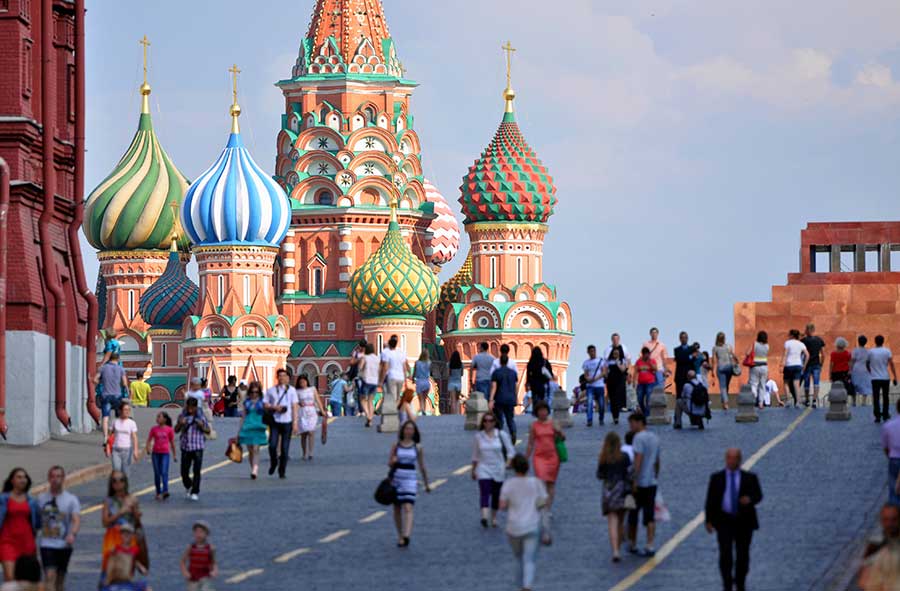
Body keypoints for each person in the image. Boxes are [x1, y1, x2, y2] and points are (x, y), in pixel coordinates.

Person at [705, 448, 763, 591]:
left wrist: (749, 499)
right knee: (725, 553)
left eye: (735, 458)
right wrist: (709, 520)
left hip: (744, 522)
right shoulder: (716, 478)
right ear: (726, 459)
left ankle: (740, 580)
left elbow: (758, 495)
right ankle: (727, 582)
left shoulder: (749, 478)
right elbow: (710, 500)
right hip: (724, 521)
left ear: (740, 459)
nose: (732, 461)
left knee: (743, 554)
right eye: (729, 458)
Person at [499, 454, 548, 591]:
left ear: (514, 468)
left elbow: (502, 506)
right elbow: (543, 507)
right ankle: (527, 585)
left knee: (518, 557)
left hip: (513, 527)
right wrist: (546, 531)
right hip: (532, 526)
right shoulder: (536, 483)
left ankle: (520, 584)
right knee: (529, 559)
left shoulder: (508, 484)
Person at [526, 401, 564, 545]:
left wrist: (559, 432)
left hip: (553, 456)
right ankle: (543, 507)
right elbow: (530, 443)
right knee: (541, 482)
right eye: (540, 410)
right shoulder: (534, 425)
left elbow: (562, 438)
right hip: (539, 457)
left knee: (550, 483)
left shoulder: (553, 423)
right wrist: (526, 457)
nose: (543, 413)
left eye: (544, 410)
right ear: (537, 412)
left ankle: (548, 508)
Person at [36, 467, 80, 591]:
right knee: (49, 577)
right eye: (53, 476)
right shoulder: (41, 499)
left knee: (60, 580)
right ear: (49, 479)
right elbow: (36, 520)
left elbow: (76, 520)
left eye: (58, 476)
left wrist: (72, 534)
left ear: (63, 478)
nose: (55, 479)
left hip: (64, 544)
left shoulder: (71, 499)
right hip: (47, 544)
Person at [389, 421, 430, 547]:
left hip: (410, 478)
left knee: (408, 506)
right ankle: (400, 534)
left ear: (414, 432)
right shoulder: (396, 445)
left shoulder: (417, 447)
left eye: (411, 429)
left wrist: (427, 483)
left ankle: (406, 535)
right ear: (403, 431)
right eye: (406, 429)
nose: (408, 431)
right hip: (397, 477)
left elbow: (422, 466)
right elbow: (389, 463)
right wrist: (393, 460)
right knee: (397, 508)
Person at [471, 412, 513, 528]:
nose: (488, 423)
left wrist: (507, 464)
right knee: (484, 492)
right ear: (483, 423)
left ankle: (494, 517)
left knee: (496, 495)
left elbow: (510, 452)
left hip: (499, 468)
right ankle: (484, 517)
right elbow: (475, 455)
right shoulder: (478, 437)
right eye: (485, 421)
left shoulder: (501, 435)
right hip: (483, 468)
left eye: (490, 421)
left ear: (495, 422)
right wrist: (474, 470)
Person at [596, 432, 632, 563]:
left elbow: (599, 475)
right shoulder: (624, 456)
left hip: (608, 490)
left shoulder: (604, 458)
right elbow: (629, 473)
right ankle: (621, 534)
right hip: (622, 490)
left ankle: (615, 551)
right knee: (621, 518)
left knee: (612, 522)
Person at [100, 471, 144, 576]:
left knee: (127, 574)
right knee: (111, 573)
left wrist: (135, 513)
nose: (118, 483)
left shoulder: (132, 499)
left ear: (125, 483)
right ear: (111, 484)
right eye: (114, 481)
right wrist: (120, 513)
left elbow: (137, 523)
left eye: (121, 480)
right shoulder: (108, 501)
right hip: (112, 539)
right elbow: (105, 523)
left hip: (128, 539)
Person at [629, 413, 660, 557]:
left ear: (639, 422)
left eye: (632, 423)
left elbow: (638, 459)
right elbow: (657, 460)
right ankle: (650, 544)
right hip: (652, 481)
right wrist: (655, 475)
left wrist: (634, 480)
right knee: (650, 515)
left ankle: (633, 543)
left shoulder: (638, 438)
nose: (630, 427)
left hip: (640, 482)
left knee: (633, 514)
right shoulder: (654, 437)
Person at [0, 469, 40, 582]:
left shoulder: (31, 501)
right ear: (12, 480)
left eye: (24, 477)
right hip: (7, 542)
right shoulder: (3, 499)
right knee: (10, 577)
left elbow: (37, 523)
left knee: (26, 581)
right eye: (19, 477)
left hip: (27, 543)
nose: (22, 480)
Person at [265, 369, 299, 478]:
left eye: (284, 376)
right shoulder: (271, 391)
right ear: (277, 377)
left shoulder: (292, 391)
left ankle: (282, 470)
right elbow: (265, 404)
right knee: (272, 445)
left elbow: (294, 407)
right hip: (274, 421)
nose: (281, 378)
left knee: (285, 448)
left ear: (287, 378)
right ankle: (274, 462)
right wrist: (274, 407)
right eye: (280, 376)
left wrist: (295, 423)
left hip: (287, 422)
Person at [175, 398, 210, 500]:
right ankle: (189, 485)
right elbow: (176, 430)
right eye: (188, 407)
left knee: (196, 470)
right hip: (185, 447)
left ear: (195, 407)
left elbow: (208, 430)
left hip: (198, 447)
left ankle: (195, 491)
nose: (190, 409)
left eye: (192, 407)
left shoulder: (201, 417)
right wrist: (180, 423)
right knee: (184, 471)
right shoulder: (182, 416)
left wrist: (202, 426)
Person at [95, 352, 129, 446]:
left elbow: (95, 380)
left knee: (105, 417)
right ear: (118, 359)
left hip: (105, 395)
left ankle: (105, 438)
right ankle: (115, 435)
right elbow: (125, 383)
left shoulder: (103, 368)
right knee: (118, 417)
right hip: (117, 395)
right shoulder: (120, 369)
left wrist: (101, 381)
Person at [237, 381, 267, 479]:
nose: (254, 394)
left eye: (256, 392)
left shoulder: (263, 402)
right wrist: (239, 431)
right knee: (250, 450)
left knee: (256, 449)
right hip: (248, 426)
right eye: (252, 392)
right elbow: (243, 417)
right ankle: (253, 468)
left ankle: (255, 469)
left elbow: (267, 415)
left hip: (258, 426)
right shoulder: (247, 402)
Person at [379, 335, 410, 429]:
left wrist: (380, 380)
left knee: (391, 398)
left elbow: (384, 368)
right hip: (400, 378)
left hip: (391, 377)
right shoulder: (401, 353)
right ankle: (400, 417)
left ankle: (392, 418)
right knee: (397, 398)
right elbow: (405, 367)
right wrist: (406, 379)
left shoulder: (386, 353)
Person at [490, 352, 520, 445]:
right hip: (510, 399)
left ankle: (500, 436)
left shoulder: (496, 372)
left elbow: (494, 386)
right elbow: (516, 386)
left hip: (499, 399)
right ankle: (513, 432)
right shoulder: (513, 373)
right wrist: (516, 397)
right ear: (507, 361)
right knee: (510, 418)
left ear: (500, 362)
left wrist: (491, 399)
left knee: (499, 419)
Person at [145, 412, 176, 500]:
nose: (157, 418)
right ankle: (158, 491)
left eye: (159, 417)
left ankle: (165, 490)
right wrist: (148, 448)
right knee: (157, 473)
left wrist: (174, 455)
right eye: (157, 417)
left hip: (165, 453)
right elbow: (149, 440)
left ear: (165, 419)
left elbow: (172, 443)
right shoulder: (154, 429)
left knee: (164, 472)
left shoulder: (169, 429)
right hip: (156, 453)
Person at [296, 374, 326, 461]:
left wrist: (322, 411)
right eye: (301, 382)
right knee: (304, 434)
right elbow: (295, 402)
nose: (303, 383)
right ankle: (304, 452)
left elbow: (318, 400)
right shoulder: (297, 391)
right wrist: (299, 403)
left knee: (311, 431)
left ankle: (311, 452)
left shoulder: (312, 389)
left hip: (312, 411)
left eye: (304, 381)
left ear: (307, 381)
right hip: (302, 412)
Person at [869, 335, 898, 424]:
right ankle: (885, 414)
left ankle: (877, 416)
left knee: (876, 397)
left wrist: (871, 371)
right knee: (886, 397)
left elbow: (867, 363)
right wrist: (895, 376)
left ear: (875, 341)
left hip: (875, 378)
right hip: (885, 377)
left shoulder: (871, 351)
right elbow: (891, 364)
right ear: (883, 341)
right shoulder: (887, 351)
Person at [180, 521, 217, 591]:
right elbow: (182, 561)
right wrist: (185, 572)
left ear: (207, 534)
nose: (198, 534)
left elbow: (213, 562)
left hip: (206, 577)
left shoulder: (211, 548)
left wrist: (215, 570)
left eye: (201, 532)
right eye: (196, 532)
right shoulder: (190, 547)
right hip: (193, 578)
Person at [110, 402, 139, 478]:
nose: (127, 411)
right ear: (120, 411)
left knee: (125, 471)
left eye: (128, 410)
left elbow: (134, 437)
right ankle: (116, 488)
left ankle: (124, 488)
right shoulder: (114, 421)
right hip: (116, 449)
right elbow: (110, 435)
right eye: (125, 409)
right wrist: (107, 447)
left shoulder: (131, 423)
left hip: (127, 450)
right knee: (116, 470)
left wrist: (135, 450)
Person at [801, 323, 826, 408]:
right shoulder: (819, 340)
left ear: (807, 330)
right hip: (816, 364)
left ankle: (807, 400)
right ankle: (814, 400)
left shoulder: (804, 340)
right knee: (816, 383)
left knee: (806, 382)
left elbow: (801, 352)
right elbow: (823, 354)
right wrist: (821, 364)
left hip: (807, 364)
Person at [711, 332, 737, 410]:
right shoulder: (728, 346)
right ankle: (724, 402)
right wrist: (737, 361)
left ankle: (725, 403)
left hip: (721, 368)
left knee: (723, 387)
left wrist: (712, 370)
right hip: (729, 367)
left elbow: (713, 360)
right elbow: (733, 355)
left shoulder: (715, 348)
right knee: (726, 385)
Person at [581, 345, 606, 427]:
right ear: (588, 352)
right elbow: (585, 374)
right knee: (589, 402)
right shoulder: (586, 363)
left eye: (593, 351)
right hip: (590, 386)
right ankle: (589, 420)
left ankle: (601, 418)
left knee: (601, 404)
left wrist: (595, 378)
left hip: (599, 385)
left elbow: (604, 372)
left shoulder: (600, 361)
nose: (592, 353)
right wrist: (588, 379)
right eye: (591, 351)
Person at [882, 399, 900, 506]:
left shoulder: (888, 425)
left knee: (893, 490)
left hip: (894, 459)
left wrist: (890, 456)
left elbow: (885, 447)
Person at [358, 343, 380, 427]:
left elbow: (360, 367)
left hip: (366, 380)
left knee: (362, 399)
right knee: (371, 400)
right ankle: (370, 417)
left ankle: (368, 415)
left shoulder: (365, 357)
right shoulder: (377, 358)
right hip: (375, 381)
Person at [526, 347, 552, 414]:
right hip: (544, 384)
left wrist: (527, 384)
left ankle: (536, 412)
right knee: (543, 398)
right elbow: (550, 374)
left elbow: (528, 375)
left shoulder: (531, 363)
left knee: (535, 398)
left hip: (534, 385)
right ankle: (544, 412)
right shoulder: (545, 362)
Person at [746, 331, 769, 408]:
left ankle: (754, 398)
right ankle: (761, 403)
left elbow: (747, 353)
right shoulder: (767, 346)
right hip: (764, 366)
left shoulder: (754, 344)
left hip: (755, 366)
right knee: (762, 385)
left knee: (754, 384)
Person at [605, 348, 628, 423]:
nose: (616, 355)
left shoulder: (622, 360)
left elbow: (622, 370)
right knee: (612, 400)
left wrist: (617, 362)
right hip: (611, 382)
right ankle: (615, 417)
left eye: (617, 353)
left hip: (619, 382)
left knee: (617, 399)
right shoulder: (609, 362)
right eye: (614, 353)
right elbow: (606, 371)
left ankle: (617, 416)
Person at [633, 347, 657, 417]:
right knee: (639, 399)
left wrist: (649, 362)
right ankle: (643, 412)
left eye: (648, 354)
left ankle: (647, 415)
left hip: (650, 382)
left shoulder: (652, 360)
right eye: (645, 354)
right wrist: (634, 381)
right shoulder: (638, 361)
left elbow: (655, 368)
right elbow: (635, 371)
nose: (647, 356)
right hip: (640, 383)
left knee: (648, 399)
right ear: (643, 354)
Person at [830, 337, 854, 403]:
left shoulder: (833, 354)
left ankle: (837, 400)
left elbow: (831, 364)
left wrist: (830, 374)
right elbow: (850, 364)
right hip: (845, 373)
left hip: (835, 373)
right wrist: (850, 371)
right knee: (845, 387)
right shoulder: (848, 353)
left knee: (836, 387)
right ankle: (844, 400)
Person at [852, 335, 873, 407]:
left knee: (854, 384)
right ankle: (863, 402)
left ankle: (854, 401)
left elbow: (852, 361)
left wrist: (850, 369)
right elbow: (869, 362)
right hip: (865, 369)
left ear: (858, 341)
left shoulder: (855, 350)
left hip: (856, 369)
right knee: (865, 385)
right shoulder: (868, 351)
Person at [673, 331, 692, 397]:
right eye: (682, 338)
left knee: (690, 395)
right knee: (679, 395)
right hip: (680, 376)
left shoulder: (692, 349)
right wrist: (690, 357)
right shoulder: (676, 350)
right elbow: (680, 359)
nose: (684, 339)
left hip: (689, 375)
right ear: (680, 339)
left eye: (685, 337)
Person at [413, 351, 432, 416]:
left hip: (419, 382)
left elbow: (414, 373)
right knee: (424, 398)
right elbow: (430, 372)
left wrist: (413, 379)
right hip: (426, 382)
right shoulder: (429, 363)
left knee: (420, 398)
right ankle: (423, 410)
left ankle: (422, 409)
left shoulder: (417, 363)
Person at [447, 351, 464, 415]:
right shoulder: (461, 364)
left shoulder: (449, 364)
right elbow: (462, 374)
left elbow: (448, 374)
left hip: (451, 383)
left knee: (453, 400)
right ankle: (457, 413)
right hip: (458, 383)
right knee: (457, 400)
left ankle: (453, 414)